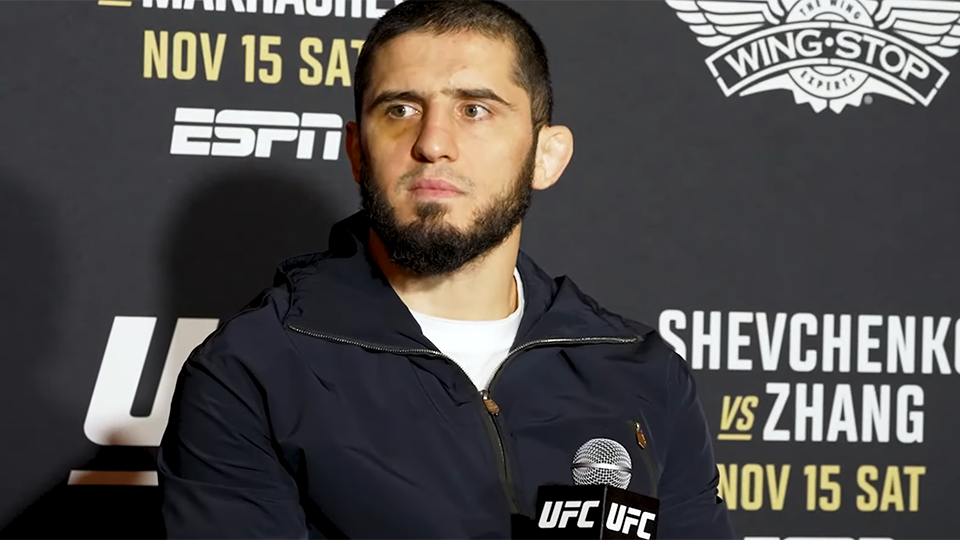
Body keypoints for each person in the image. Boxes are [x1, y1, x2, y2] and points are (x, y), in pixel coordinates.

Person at [157, 0, 736, 538]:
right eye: (400, 109)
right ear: (357, 151)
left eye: (474, 109)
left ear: (546, 155)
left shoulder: (641, 371)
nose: (433, 142)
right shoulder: (253, 369)